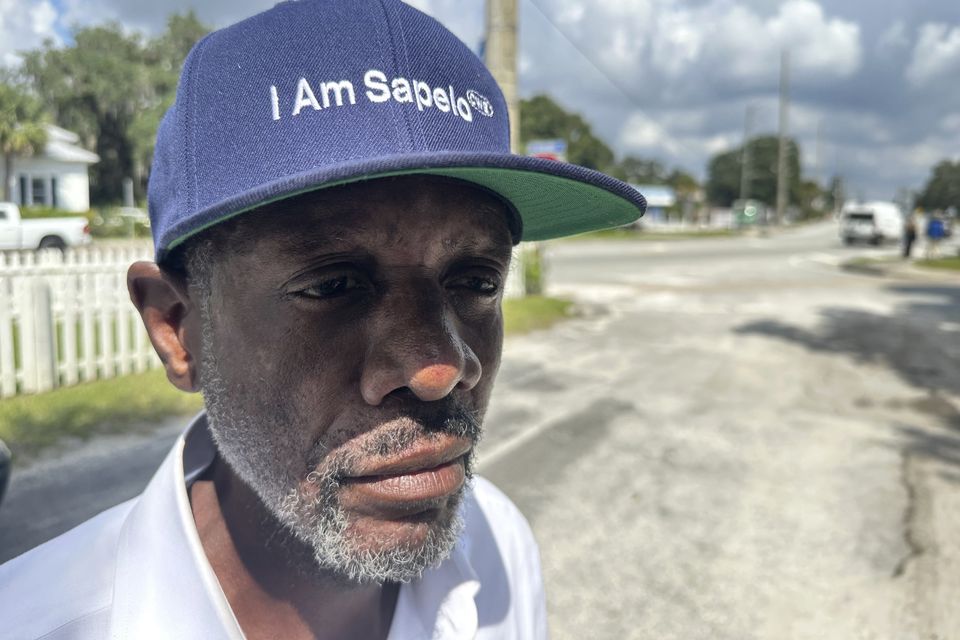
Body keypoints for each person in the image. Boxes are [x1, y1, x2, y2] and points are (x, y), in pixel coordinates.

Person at [0, 1, 645, 638]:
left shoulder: (500, 548)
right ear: (177, 329)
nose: (440, 370)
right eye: (334, 286)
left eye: (476, 281)